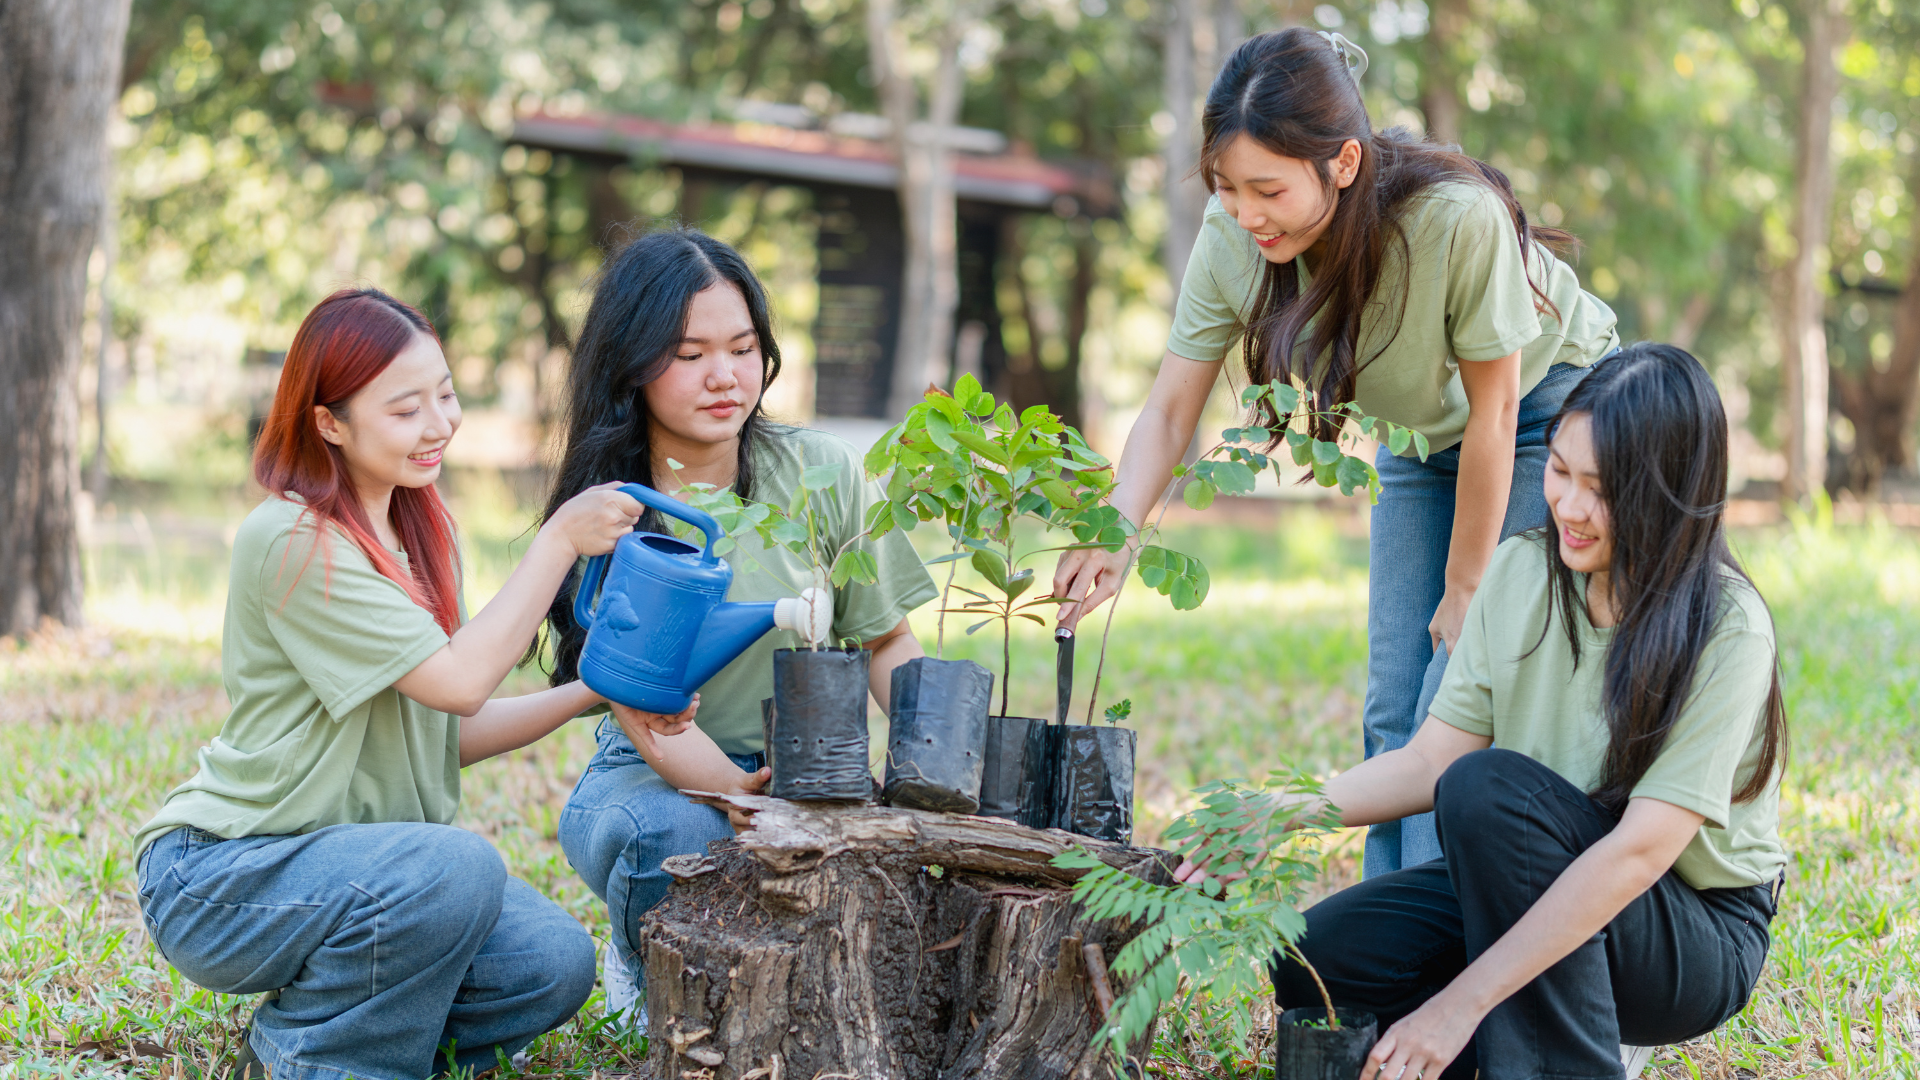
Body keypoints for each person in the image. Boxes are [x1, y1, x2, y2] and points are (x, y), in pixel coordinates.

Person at [1051, 27, 1620, 876]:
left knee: (1455, 695)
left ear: (1344, 163)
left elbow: (1495, 416)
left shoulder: (1451, 222)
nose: (1247, 214)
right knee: (1395, 704)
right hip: (1422, 437)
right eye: (1228, 187)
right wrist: (1115, 527)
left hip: (1547, 415)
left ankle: (1450, 949)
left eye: (1268, 190)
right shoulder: (1231, 239)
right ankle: (1393, 938)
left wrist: (1467, 589)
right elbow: (1173, 406)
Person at [1181, 344, 1787, 1078]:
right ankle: (1519, 1031)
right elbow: (1430, 760)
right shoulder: (1524, 570)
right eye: (1559, 471)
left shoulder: (1726, 627)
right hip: (1523, 871)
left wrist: (1460, 1002)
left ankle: (1576, 1048)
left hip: (1684, 925)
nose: (1567, 504)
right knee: (1318, 962)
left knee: (1487, 790)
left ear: (1665, 492)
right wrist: (1273, 812)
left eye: (1602, 489)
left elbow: (1637, 853)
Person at [134, 289, 647, 1078]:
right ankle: (325, 1063)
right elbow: (461, 684)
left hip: (352, 872)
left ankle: (299, 1043)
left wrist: (594, 690)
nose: (440, 424)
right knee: (457, 867)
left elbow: (448, 732)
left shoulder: (416, 534)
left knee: (550, 960)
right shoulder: (294, 539)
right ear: (329, 423)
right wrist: (557, 541)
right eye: (406, 409)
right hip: (223, 877)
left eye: (446, 394)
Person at [538, 228, 938, 1031]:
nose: (725, 376)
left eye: (743, 346)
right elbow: (646, 714)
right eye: (688, 355)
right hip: (653, 773)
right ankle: (645, 967)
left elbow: (885, 642)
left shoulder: (820, 471)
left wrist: (937, 764)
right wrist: (742, 798)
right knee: (681, 832)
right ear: (632, 365)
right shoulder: (615, 511)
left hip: (809, 763)